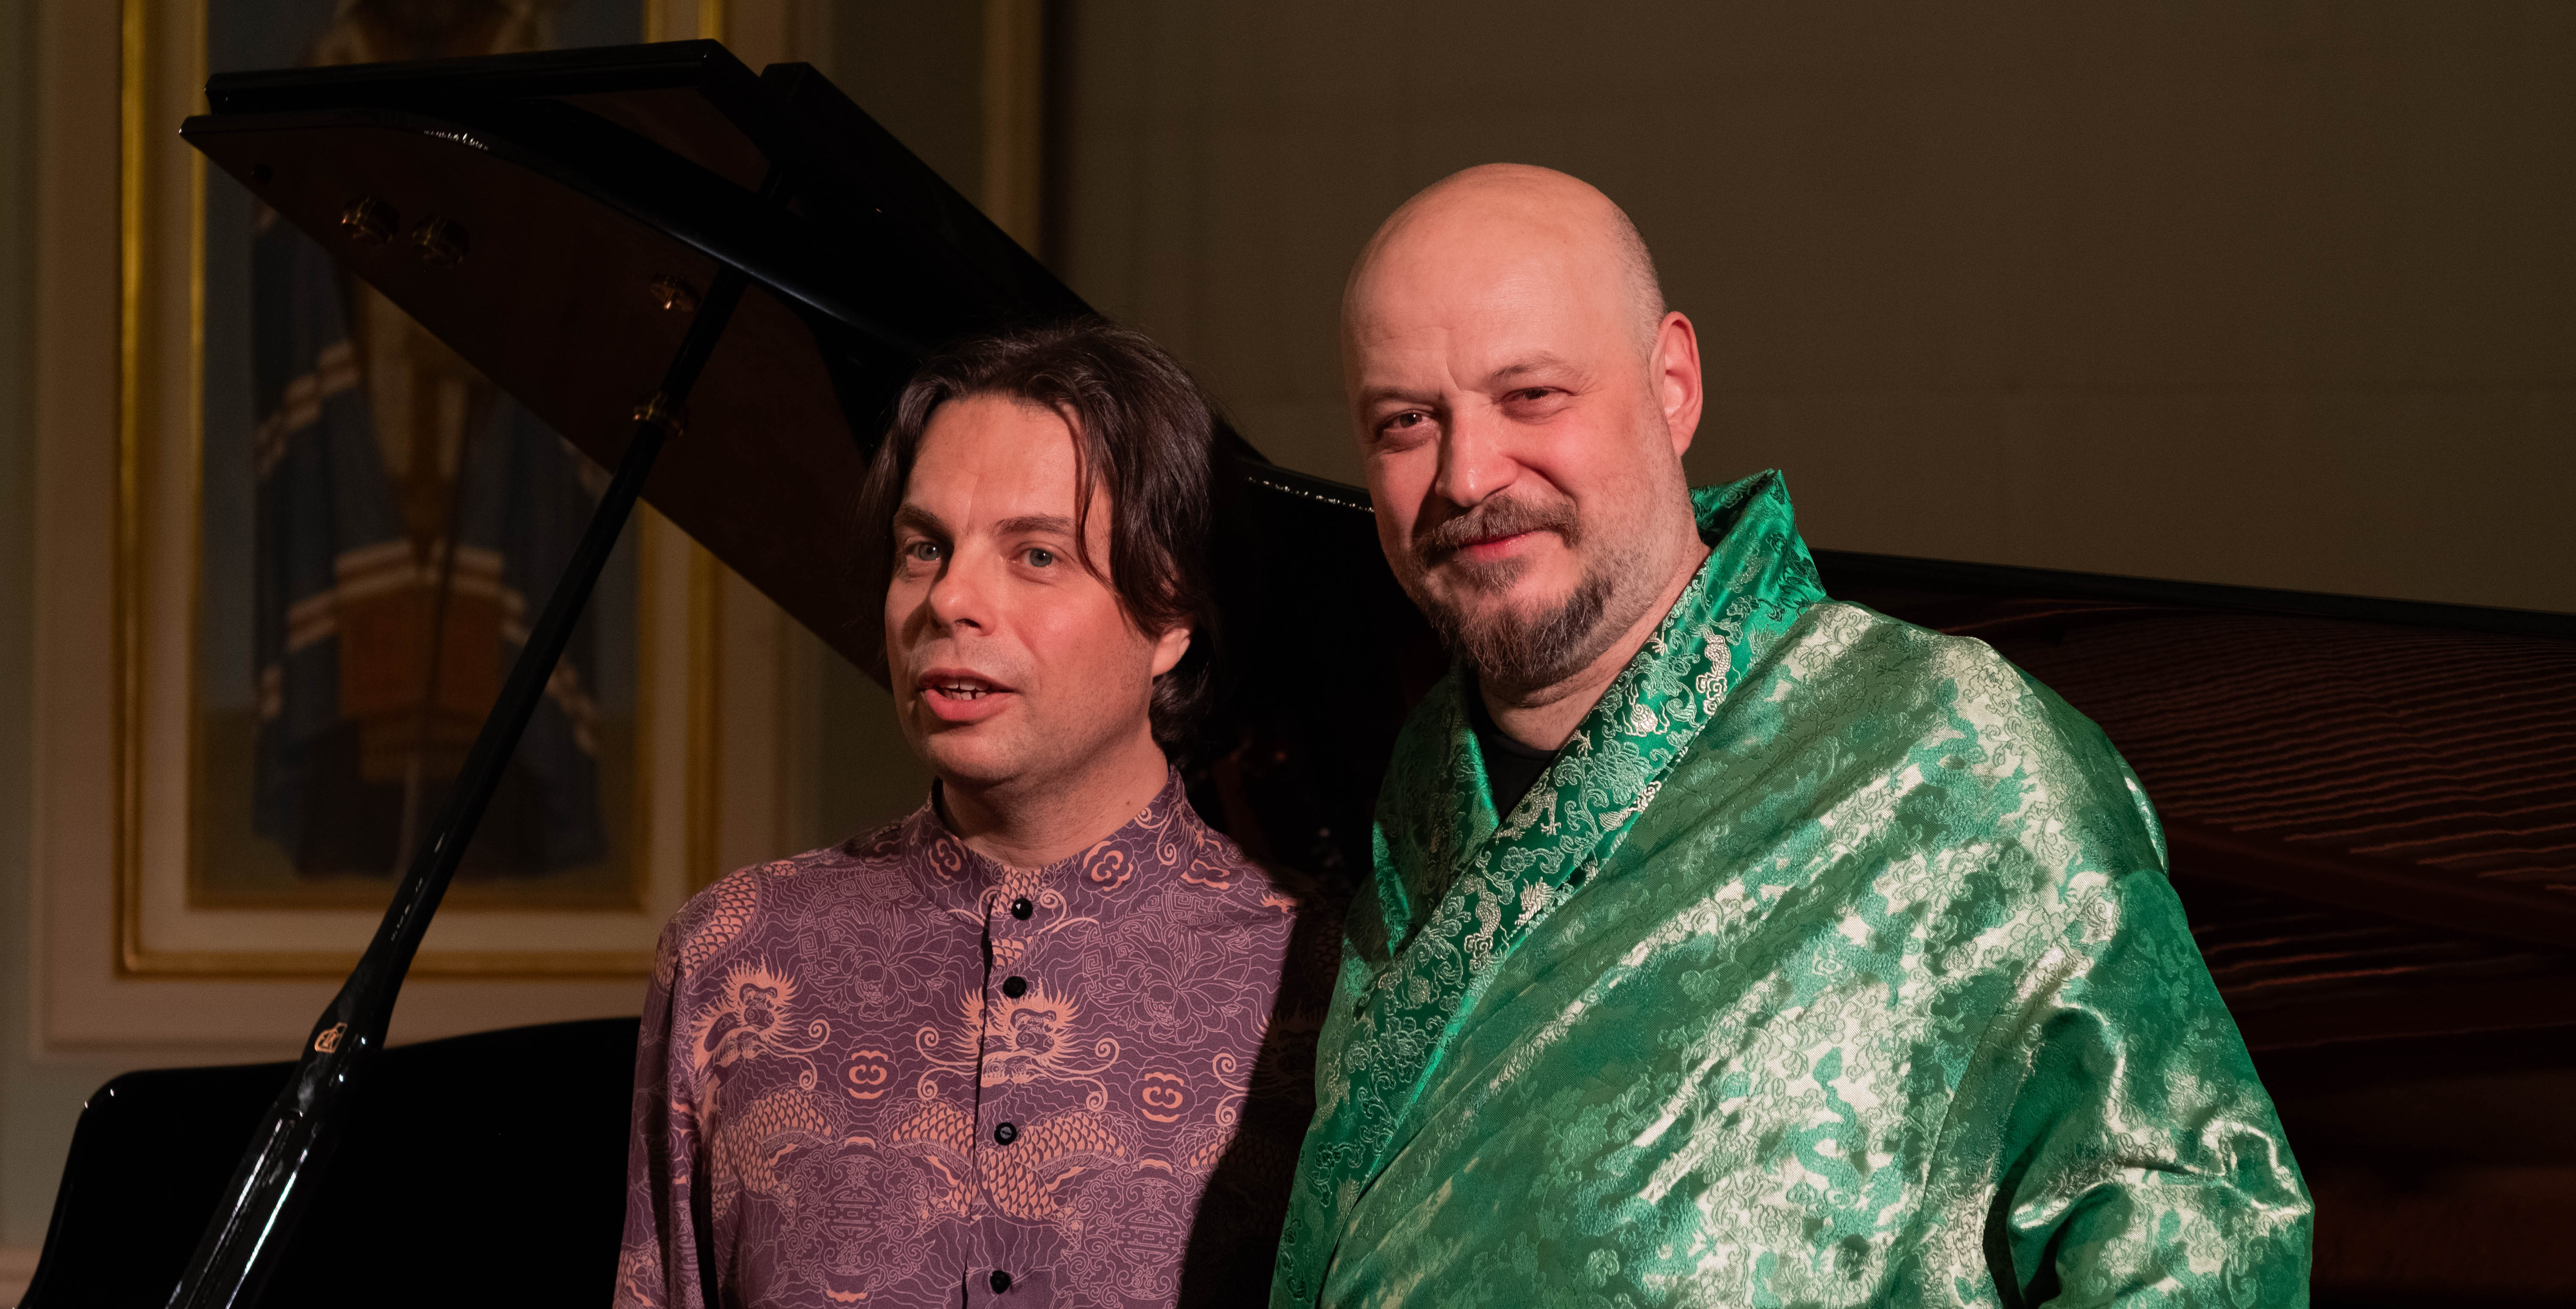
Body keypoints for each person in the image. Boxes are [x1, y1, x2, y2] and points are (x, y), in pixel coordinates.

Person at [1272, 165, 2312, 1306]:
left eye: (1531, 396)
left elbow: (2205, 1243)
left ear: (1672, 384)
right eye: (1406, 422)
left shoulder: (1954, 754)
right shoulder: (1418, 788)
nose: (1467, 474)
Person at [618, 320, 1331, 1308]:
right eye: (924, 549)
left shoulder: (1320, 980)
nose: (949, 599)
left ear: (1170, 612)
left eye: (1035, 555)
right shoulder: (735, 953)